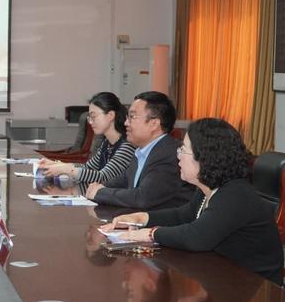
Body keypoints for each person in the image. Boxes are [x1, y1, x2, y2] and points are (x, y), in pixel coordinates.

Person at [102, 118, 284, 285]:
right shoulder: (209, 187)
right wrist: (142, 218)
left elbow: (196, 237)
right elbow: (183, 215)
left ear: (205, 158)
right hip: (224, 276)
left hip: (255, 288)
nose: (178, 155)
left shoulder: (235, 194)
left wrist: (149, 234)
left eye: (183, 150)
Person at [85, 91, 193, 209]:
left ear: (154, 123)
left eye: (132, 117)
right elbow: (120, 182)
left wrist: (100, 193)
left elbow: (142, 198)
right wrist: (97, 188)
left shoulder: (169, 154)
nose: (126, 123)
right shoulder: (141, 152)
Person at [38, 92, 135, 185]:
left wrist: (65, 169)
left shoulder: (127, 146)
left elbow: (103, 177)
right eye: (89, 117)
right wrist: (57, 165)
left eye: (93, 116)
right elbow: (88, 167)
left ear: (110, 115)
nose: (90, 122)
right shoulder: (106, 143)